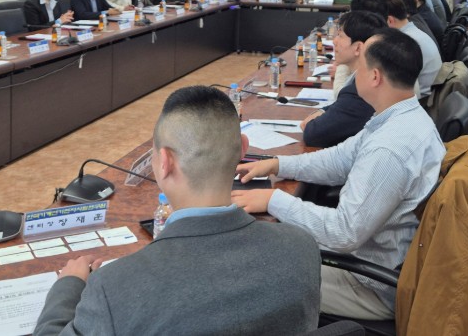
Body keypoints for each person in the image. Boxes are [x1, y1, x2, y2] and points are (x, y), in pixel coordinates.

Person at [33, 86, 321, 336]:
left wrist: (68, 287)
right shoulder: (301, 247)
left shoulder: (115, 288)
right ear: (242, 150)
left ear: (165, 162)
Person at [232, 29, 445, 320]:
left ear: (375, 77)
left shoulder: (389, 149)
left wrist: (273, 201)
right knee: (272, 249)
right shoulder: (402, 116)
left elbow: (344, 233)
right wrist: (277, 164)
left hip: (369, 283)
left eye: (360, 66)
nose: (353, 73)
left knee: (252, 276)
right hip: (370, 258)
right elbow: (341, 159)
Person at [300, 10, 386, 148]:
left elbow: (314, 134)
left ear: (358, 48)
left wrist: (313, 122)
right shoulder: (372, 74)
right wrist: (322, 111)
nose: (334, 41)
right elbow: (344, 103)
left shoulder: (362, 90)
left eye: (340, 36)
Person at [382, 0, 441, 99]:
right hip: (431, 96)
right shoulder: (414, 31)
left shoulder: (404, 43)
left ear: (390, 20)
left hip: (424, 102)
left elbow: (405, 91)